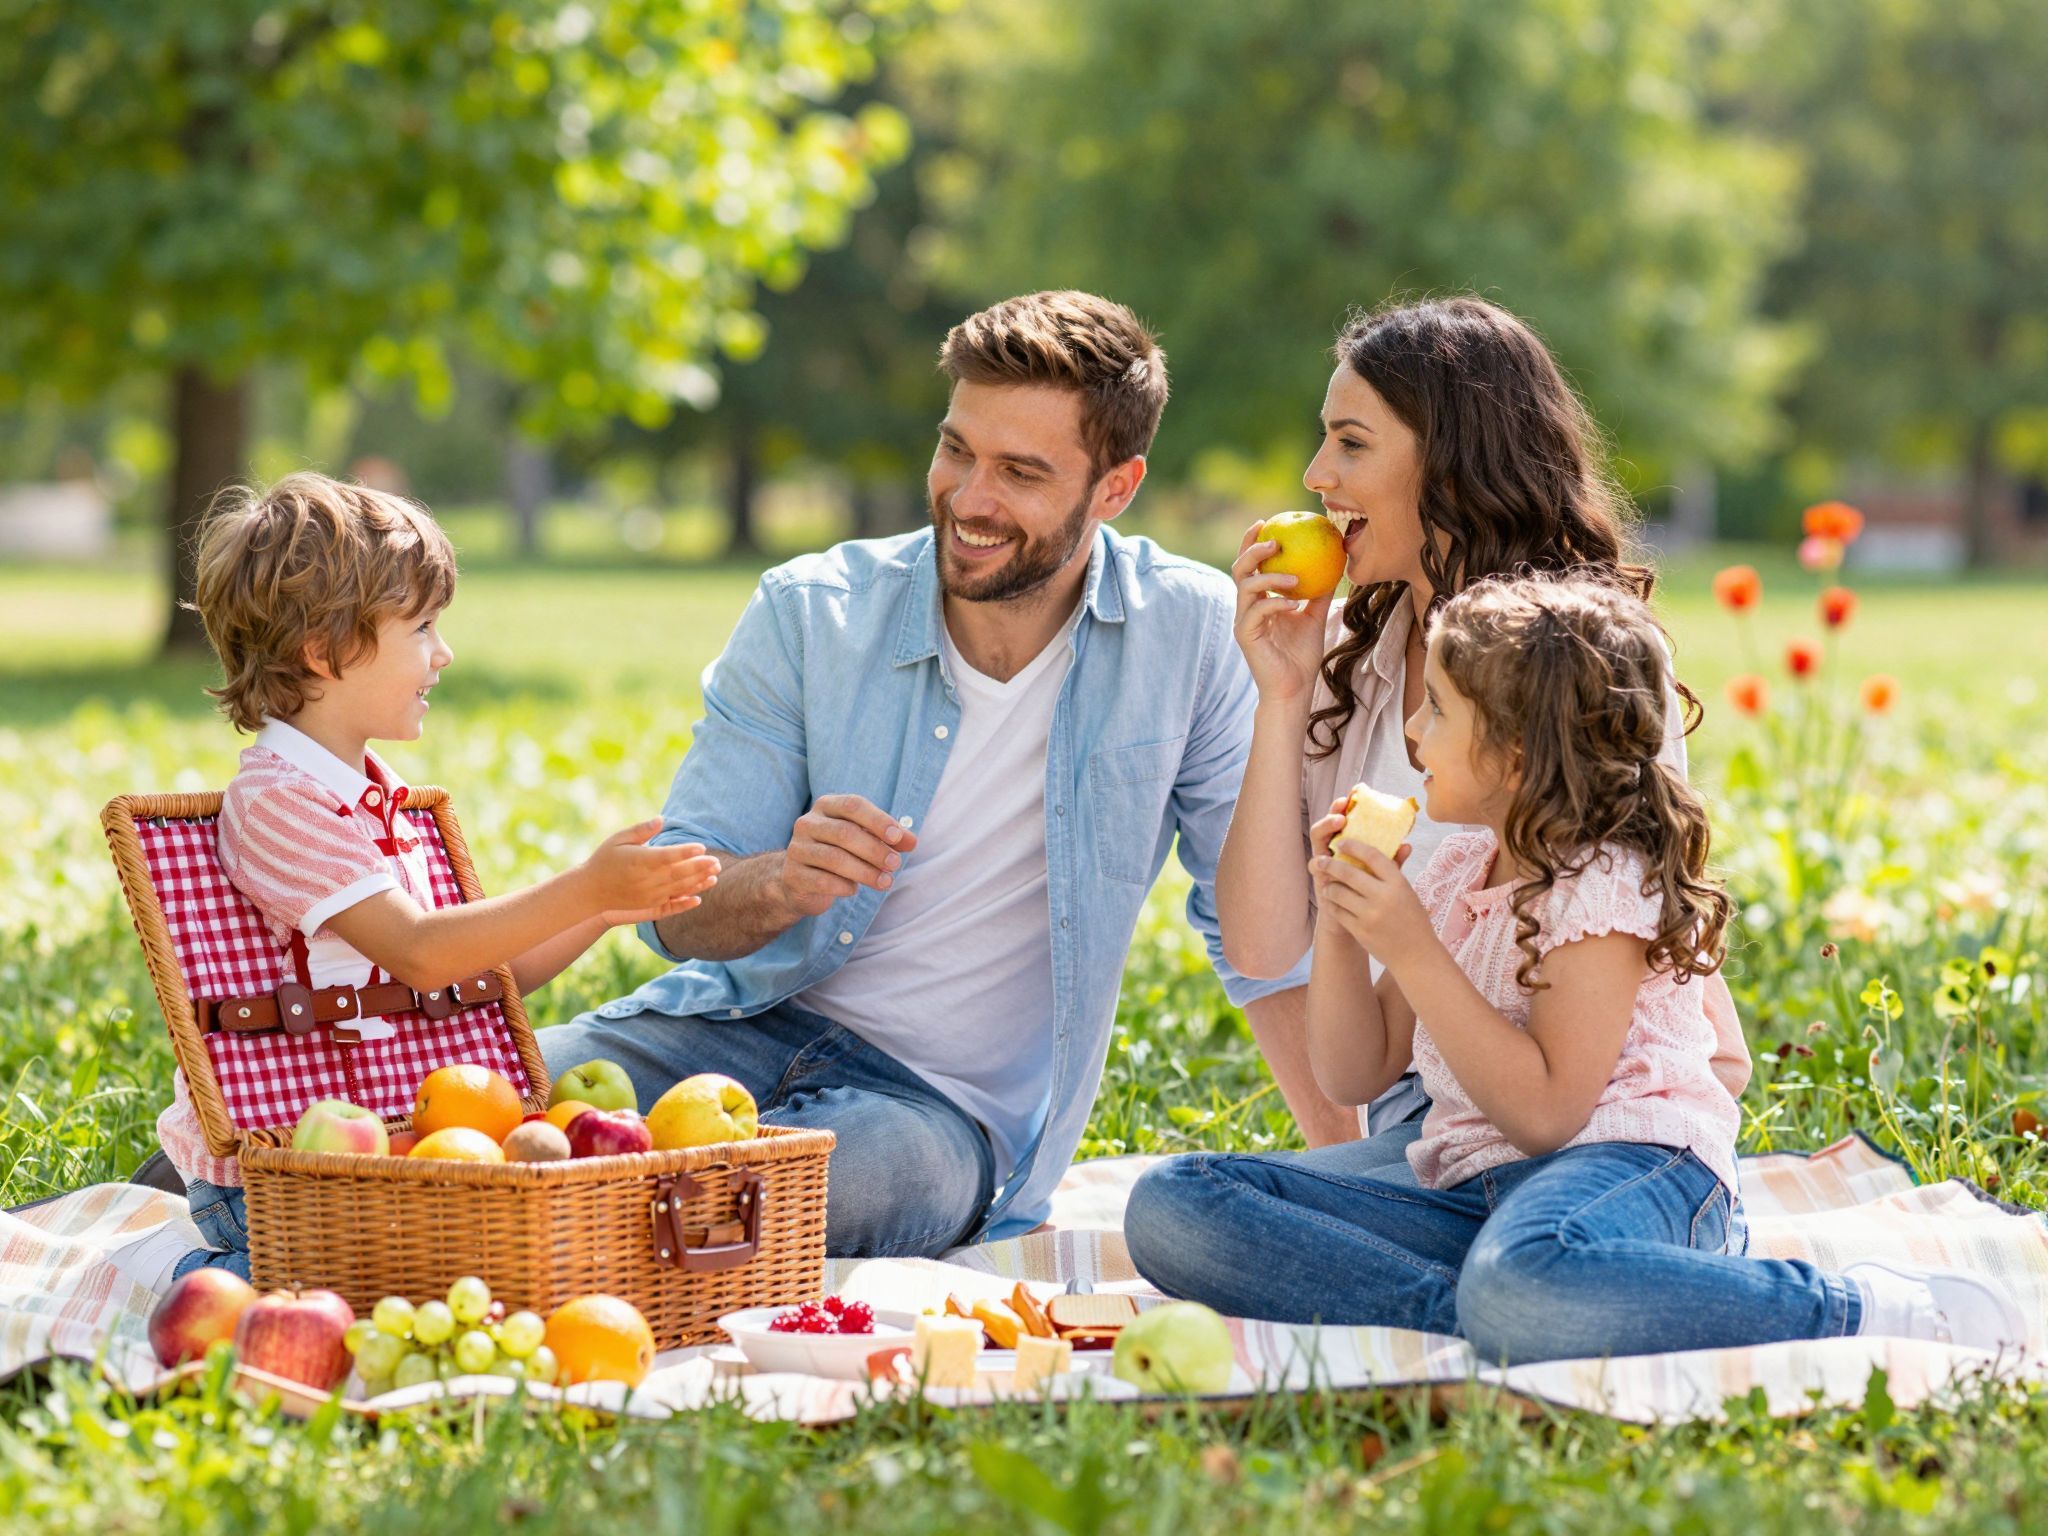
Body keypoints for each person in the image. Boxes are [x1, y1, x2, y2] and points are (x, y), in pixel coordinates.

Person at [537, 290, 1305, 1257]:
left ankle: (569, 1235)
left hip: (931, 1117)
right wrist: (780, 881)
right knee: (453, 1118)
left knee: (756, 1199)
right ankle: (548, 1226)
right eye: (957, 451)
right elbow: (680, 911)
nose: (970, 498)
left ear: (1114, 488)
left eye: (1021, 472)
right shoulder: (812, 612)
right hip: (728, 1030)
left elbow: (1254, 935)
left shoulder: (1188, 635)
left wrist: (1342, 1164)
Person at [1126, 574, 2028, 1362]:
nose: (1411, 727)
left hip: (1633, 1167)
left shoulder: (1603, 881)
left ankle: (1851, 1308)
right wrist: (1344, 924)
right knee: (1176, 1203)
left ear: (1514, 755)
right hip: (1470, 1187)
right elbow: (1353, 1071)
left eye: (1438, 707)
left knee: (1526, 1274)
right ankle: (1522, 1310)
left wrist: (1409, 945)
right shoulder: (1455, 870)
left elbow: (1552, 1115)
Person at [1215, 294, 1751, 1167]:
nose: (1316, 474)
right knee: (1190, 1206)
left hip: (1588, 1102)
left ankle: (1520, 1260)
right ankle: (1489, 1275)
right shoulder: (1348, 651)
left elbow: (1608, 907)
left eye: (1352, 443)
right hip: (1415, 1095)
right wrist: (1281, 697)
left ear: (1454, 468)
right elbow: (1262, 947)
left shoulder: (1592, 657)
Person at [161, 473, 718, 1279]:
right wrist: (586, 887)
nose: (444, 652)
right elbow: (421, 953)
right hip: (279, 1180)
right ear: (324, 649)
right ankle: (217, 1280)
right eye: (421, 627)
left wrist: (610, 908)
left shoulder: (383, 804)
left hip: (386, 1150)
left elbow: (488, 972)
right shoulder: (275, 804)